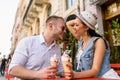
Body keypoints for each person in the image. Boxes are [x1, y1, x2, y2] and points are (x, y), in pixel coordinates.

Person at [65, 11, 120, 79]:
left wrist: (75, 75)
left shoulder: (98, 42)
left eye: (76, 25)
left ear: (86, 28)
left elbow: (95, 71)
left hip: (105, 78)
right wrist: (82, 18)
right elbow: (67, 24)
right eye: (74, 25)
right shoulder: (81, 41)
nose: (74, 28)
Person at [8, 15, 66, 80]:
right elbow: (12, 69)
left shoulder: (57, 48)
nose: (65, 31)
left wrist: (68, 72)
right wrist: (38, 74)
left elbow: (60, 70)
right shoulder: (27, 42)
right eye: (62, 28)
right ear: (50, 26)